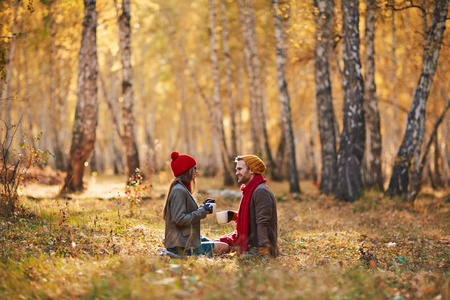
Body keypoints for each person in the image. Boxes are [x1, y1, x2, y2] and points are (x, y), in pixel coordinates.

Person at [163, 151, 230, 257]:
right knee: (225, 247)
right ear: (186, 170)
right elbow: (179, 220)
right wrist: (202, 212)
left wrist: (202, 207)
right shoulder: (179, 190)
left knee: (217, 242)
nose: (197, 171)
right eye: (194, 168)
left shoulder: (181, 188)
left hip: (184, 241)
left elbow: (184, 213)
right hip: (181, 247)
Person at [217, 155, 278, 257]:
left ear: (251, 171)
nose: (236, 173)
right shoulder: (250, 189)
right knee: (206, 242)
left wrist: (263, 254)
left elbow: (263, 224)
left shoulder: (261, 191)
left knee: (207, 249)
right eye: (236, 169)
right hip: (246, 242)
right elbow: (253, 216)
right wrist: (235, 216)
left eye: (240, 169)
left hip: (254, 248)